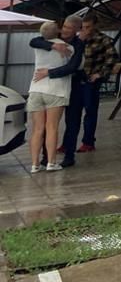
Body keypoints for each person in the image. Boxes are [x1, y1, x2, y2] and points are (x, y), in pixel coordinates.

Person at [29, 16, 84, 169]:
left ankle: (68, 155)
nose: (65, 30)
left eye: (69, 28)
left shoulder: (78, 45)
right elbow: (34, 41)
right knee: (49, 126)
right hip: (55, 89)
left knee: (72, 122)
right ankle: (47, 158)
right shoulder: (54, 38)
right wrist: (53, 46)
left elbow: (73, 67)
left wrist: (49, 73)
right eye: (64, 26)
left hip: (70, 85)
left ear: (77, 30)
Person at [71, 13, 121, 153]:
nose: (86, 30)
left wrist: (100, 74)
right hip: (77, 79)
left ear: (95, 26)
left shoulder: (103, 40)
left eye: (88, 27)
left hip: (91, 80)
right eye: (83, 27)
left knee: (90, 111)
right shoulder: (78, 39)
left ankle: (88, 142)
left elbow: (112, 58)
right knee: (73, 112)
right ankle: (68, 143)